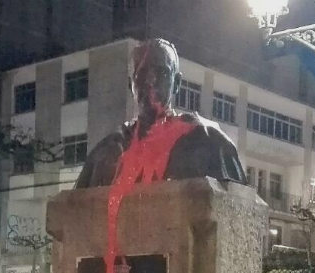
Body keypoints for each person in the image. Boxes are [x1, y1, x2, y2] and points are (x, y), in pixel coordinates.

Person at [75, 38, 246, 189]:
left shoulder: (209, 141)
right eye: (141, 73)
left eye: (162, 72)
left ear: (177, 83)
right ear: (131, 85)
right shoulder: (106, 152)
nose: (151, 81)